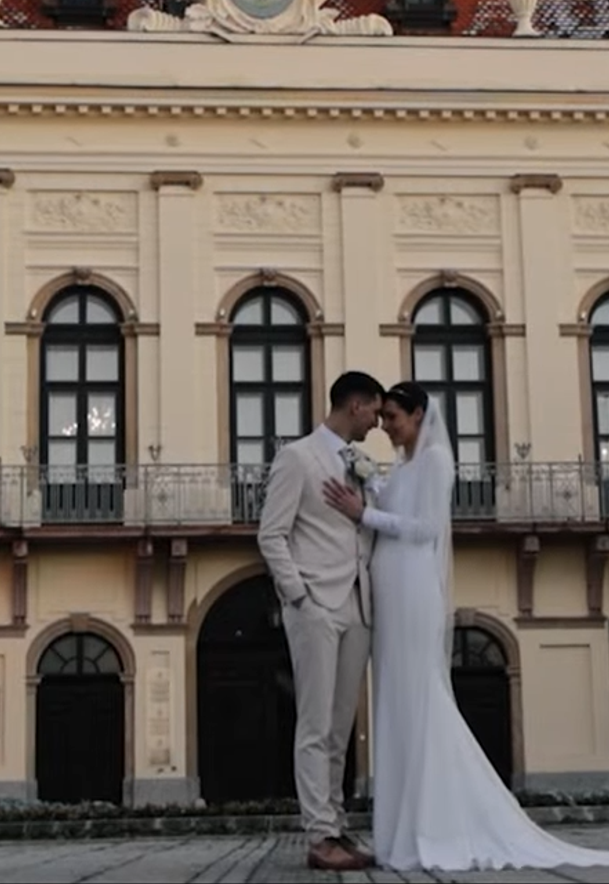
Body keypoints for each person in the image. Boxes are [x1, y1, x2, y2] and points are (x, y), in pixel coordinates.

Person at [322, 381, 609, 872]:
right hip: (388, 586)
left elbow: (424, 529)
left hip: (412, 585)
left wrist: (363, 512)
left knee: (419, 697)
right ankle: (402, 829)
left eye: (393, 416)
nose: (386, 425)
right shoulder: (405, 465)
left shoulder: (435, 462)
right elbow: (395, 509)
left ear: (417, 416)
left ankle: (433, 825)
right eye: (384, 416)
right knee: (394, 699)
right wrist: (368, 484)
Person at [256, 370, 385, 872]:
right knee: (314, 724)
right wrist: (299, 595)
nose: (377, 423)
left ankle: (336, 825)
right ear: (355, 405)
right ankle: (319, 834)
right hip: (315, 604)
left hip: (357, 602)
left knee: (340, 726)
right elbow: (272, 534)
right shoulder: (297, 457)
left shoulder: (362, 463)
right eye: (375, 411)